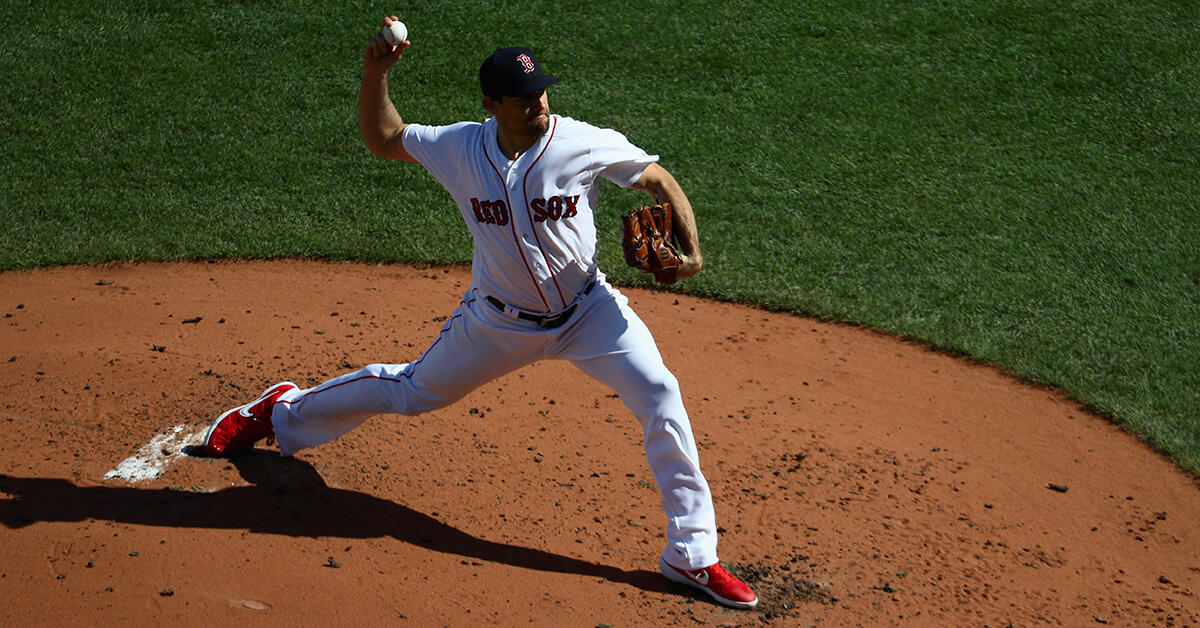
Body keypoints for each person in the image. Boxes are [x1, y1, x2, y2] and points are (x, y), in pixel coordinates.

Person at [203, 16, 758, 609]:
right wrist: (375, 75)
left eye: (541, 91)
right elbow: (384, 139)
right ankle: (281, 413)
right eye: (522, 98)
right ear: (492, 103)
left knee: (661, 394)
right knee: (413, 391)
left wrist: (693, 254)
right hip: (498, 322)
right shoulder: (461, 147)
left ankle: (692, 556)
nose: (537, 103)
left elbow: (657, 178)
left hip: (587, 311)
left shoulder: (582, 142)